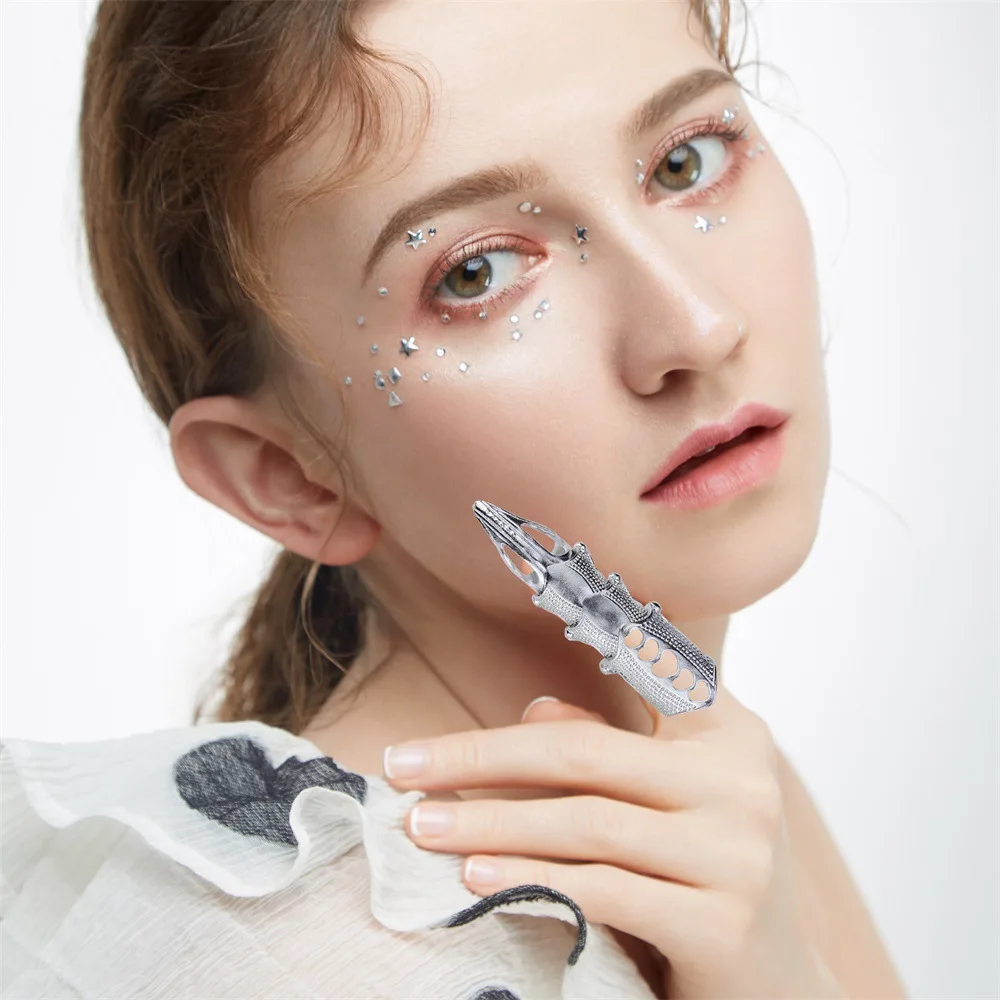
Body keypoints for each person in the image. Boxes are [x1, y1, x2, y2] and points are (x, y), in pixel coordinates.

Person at [1, 1, 909, 997]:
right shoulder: (335, 957)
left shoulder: (717, 807)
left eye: (685, 161)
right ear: (287, 474)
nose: (695, 327)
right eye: (477, 273)